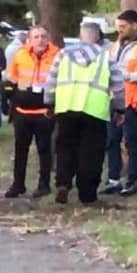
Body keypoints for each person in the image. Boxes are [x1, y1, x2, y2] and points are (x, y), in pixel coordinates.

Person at [45, 22, 124, 205]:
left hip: (66, 108)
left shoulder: (63, 55)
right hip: (94, 110)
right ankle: (87, 194)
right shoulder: (106, 57)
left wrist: (49, 103)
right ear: (98, 37)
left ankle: (63, 183)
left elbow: (51, 81)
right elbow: (119, 86)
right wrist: (120, 109)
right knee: (91, 153)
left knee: (65, 148)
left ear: (80, 36)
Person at [3, 25, 60, 198]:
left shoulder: (58, 55)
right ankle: (18, 184)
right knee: (20, 149)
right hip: (22, 111)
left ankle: (44, 185)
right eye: (36, 37)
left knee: (44, 149)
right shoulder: (20, 54)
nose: (40, 40)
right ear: (29, 39)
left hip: (45, 111)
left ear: (48, 38)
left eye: (43, 36)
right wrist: (11, 99)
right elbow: (11, 79)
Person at [100, 10, 137, 196]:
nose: (119, 30)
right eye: (118, 27)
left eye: (123, 27)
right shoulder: (115, 45)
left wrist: (125, 76)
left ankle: (132, 180)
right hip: (115, 99)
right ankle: (114, 179)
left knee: (131, 142)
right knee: (112, 140)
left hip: (132, 100)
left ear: (134, 25)